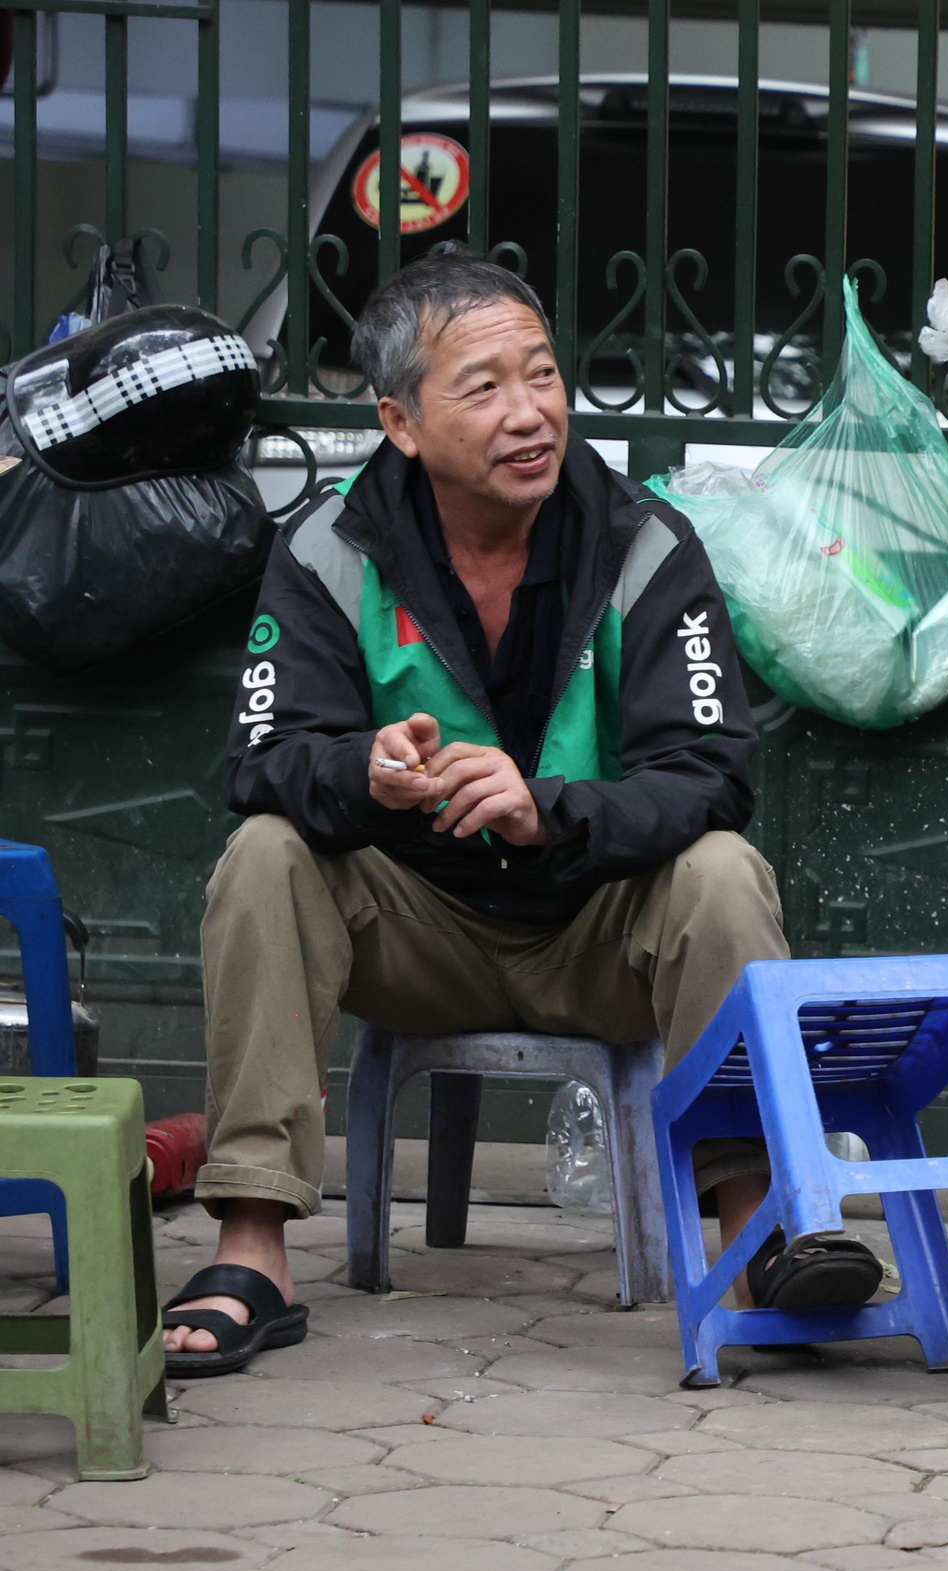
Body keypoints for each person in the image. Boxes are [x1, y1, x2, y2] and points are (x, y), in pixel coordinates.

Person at [162, 249, 879, 1376]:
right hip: (414, 932)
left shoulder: (645, 540)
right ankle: (253, 1244)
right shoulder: (327, 548)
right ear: (400, 421)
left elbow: (710, 770)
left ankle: (757, 1232)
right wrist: (363, 771)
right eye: (483, 387)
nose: (528, 413)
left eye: (540, 374)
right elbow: (261, 760)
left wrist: (548, 811)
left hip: (597, 930)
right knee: (263, 854)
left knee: (724, 870)